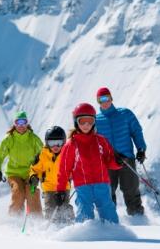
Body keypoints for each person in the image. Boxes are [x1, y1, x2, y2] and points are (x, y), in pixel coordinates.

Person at [55, 103, 120, 224]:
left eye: (90, 121)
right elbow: (64, 170)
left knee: (107, 208)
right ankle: (84, 234)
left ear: (94, 122)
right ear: (76, 122)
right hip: (83, 186)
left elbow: (110, 161)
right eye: (82, 121)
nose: (86, 125)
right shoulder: (71, 145)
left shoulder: (101, 141)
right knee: (84, 210)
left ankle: (113, 231)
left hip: (102, 183)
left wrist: (117, 161)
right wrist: (60, 190)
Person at [95, 87, 147, 216]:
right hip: (107, 161)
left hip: (126, 158)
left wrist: (141, 149)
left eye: (107, 98)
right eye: (101, 99)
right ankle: (108, 219)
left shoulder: (125, 114)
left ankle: (137, 218)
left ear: (111, 98)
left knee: (131, 188)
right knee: (107, 191)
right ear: (98, 102)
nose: (105, 102)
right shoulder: (96, 120)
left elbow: (136, 131)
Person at [0, 111, 43, 217]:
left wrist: (40, 173)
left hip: (30, 173)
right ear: (14, 124)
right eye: (18, 122)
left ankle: (36, 219)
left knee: (32, 191)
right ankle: (14, 218)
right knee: (18, 191)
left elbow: (44, 156)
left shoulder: (33, 139)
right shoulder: (9, 140)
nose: (21, 126)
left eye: (23, 122)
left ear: (27, 124)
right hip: (14, 173)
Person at [29, 126, 75, 224]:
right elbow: (34, 169)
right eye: (51, 143)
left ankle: (70, 224)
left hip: (63, 188)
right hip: (48, 188)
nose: (55, 146)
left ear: (64, 141)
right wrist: (33, 177)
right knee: (50, 209)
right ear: (46, 143)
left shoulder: (67, 153)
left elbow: (74, 167)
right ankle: (51, 227)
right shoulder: (42, 154)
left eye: (58, 142)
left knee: (64, 207)